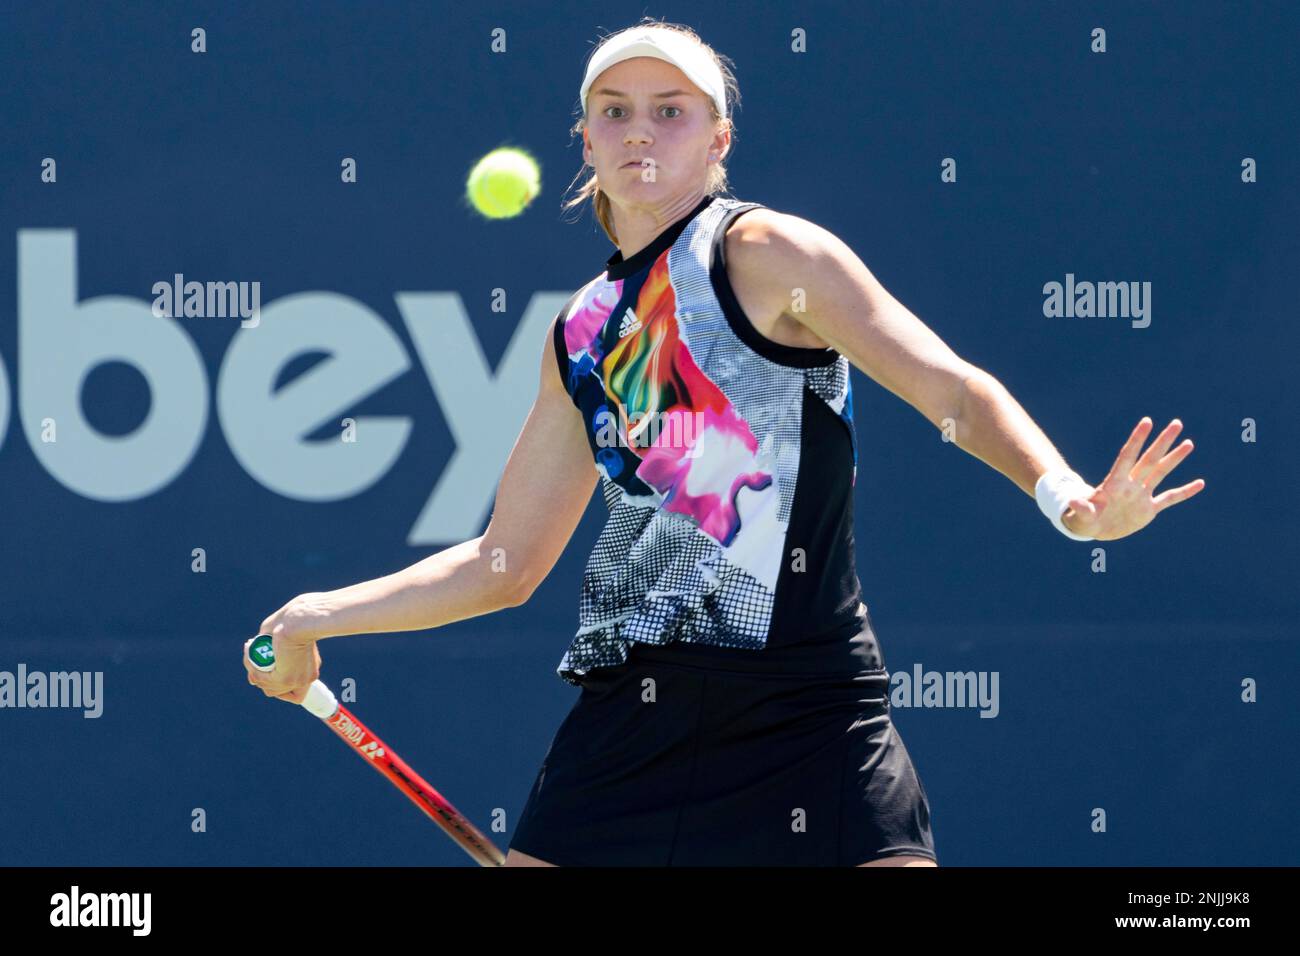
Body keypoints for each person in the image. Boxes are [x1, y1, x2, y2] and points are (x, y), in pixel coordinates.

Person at [244, 19, 1205, 867]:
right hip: (634, 721)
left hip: (812, 704)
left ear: (719, 139)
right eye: (615, 112)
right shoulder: (579, 333)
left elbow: (948, 387)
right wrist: (313, 616)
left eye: (672, 110)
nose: (640, 131)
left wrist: (1067, 499)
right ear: (585, 139)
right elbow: (502, 564)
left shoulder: (771, 255)